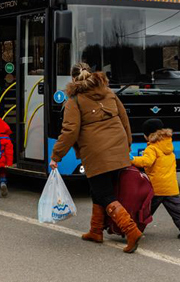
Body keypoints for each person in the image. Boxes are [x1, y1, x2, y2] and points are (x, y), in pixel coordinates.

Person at [49, 62, 142, 253]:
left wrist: (56, 156)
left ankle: (131, 230)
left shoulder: (74, 101)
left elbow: (70, 132)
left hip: (97, 154)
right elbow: (124, 119)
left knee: (104, 194)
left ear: (73, 79)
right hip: (118, 149)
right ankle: (96, 230)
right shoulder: (108, 92)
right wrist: (127, 144)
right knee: (98, 191)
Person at [131, 119, 180, 240]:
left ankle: (134, 230)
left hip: (156, 187)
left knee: (145, 209)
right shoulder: (169, 145)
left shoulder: (152, 148)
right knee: (178, 209)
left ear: (148, 135)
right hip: (171, 185)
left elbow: (146, 161)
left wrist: (132, 159)